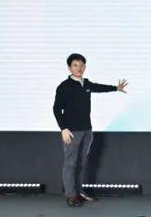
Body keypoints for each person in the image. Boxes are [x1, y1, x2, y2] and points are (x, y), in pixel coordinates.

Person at [52, 53, 128, 207]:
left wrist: (115, 88)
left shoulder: (85, 83)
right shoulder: (64, 86)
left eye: (81, 65)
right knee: (70, 163)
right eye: (75, 65)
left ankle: (79, 192)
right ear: (69, 68)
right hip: (72, 131)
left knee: (81, 163)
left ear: (85, 67)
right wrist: (63, 128)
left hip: (87, 130)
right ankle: (70, 195)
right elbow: (56, 109)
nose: (79, 68)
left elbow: (98, 87)